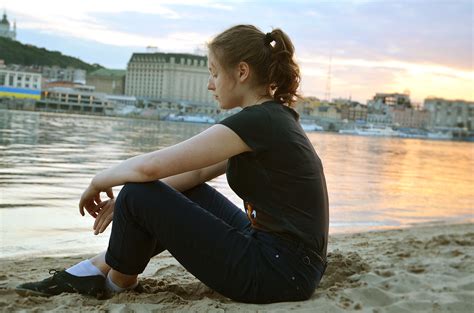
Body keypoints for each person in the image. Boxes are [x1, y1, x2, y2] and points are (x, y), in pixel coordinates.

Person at [16, 24, 329, 304]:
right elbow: (195, 173)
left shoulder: (258, 121)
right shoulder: (272, 118)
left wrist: (100, 181)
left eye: (215, 72)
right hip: (291, 263)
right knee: (168, 191)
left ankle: (115, 281)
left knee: (140, 191)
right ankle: (102, 266)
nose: (210, 84)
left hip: (278, 273)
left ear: (242, 72)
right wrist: (127, 205)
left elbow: (150, 167)